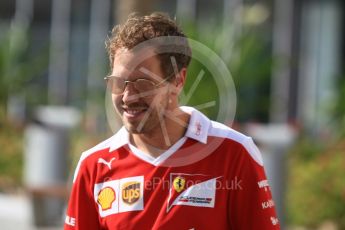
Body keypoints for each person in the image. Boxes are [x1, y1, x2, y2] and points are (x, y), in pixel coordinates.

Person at [64, 12, 280, 230]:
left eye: (143, 83)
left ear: (178, 81)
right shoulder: (93, 165)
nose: (129, 96)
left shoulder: (234, 152)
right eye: (120, 83)